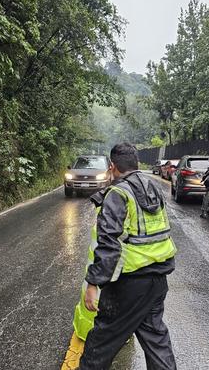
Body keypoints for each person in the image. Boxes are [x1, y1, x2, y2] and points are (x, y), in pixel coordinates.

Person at [77, 142, 177, 370]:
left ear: (112, 167)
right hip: (158, 280)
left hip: (129, 284)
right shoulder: (153, 188)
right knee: (156, 341)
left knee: (101, 342)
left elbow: (108, 245)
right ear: (137, 163)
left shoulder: (118, 193)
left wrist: (93, 283)